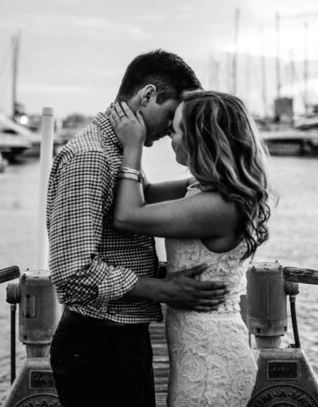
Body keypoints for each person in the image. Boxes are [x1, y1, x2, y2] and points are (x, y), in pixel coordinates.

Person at [47, 50, 229, 407]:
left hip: (120, 338)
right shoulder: (92, 157)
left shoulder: (116, 152)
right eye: (171, 114)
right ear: (147, 96)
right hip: (98, 345)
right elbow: (71, 273)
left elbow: (143, 203)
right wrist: (163, 289)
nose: (170, 128)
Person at [108, 90, 273, 406]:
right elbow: (147, 193)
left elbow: (128, 216)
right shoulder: (200, 189)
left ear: (200, 139)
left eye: (177, 129)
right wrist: (131, 133)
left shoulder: (218, 206)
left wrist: (132, 147)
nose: (171, 136)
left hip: (213, 358)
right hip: (195, 351)